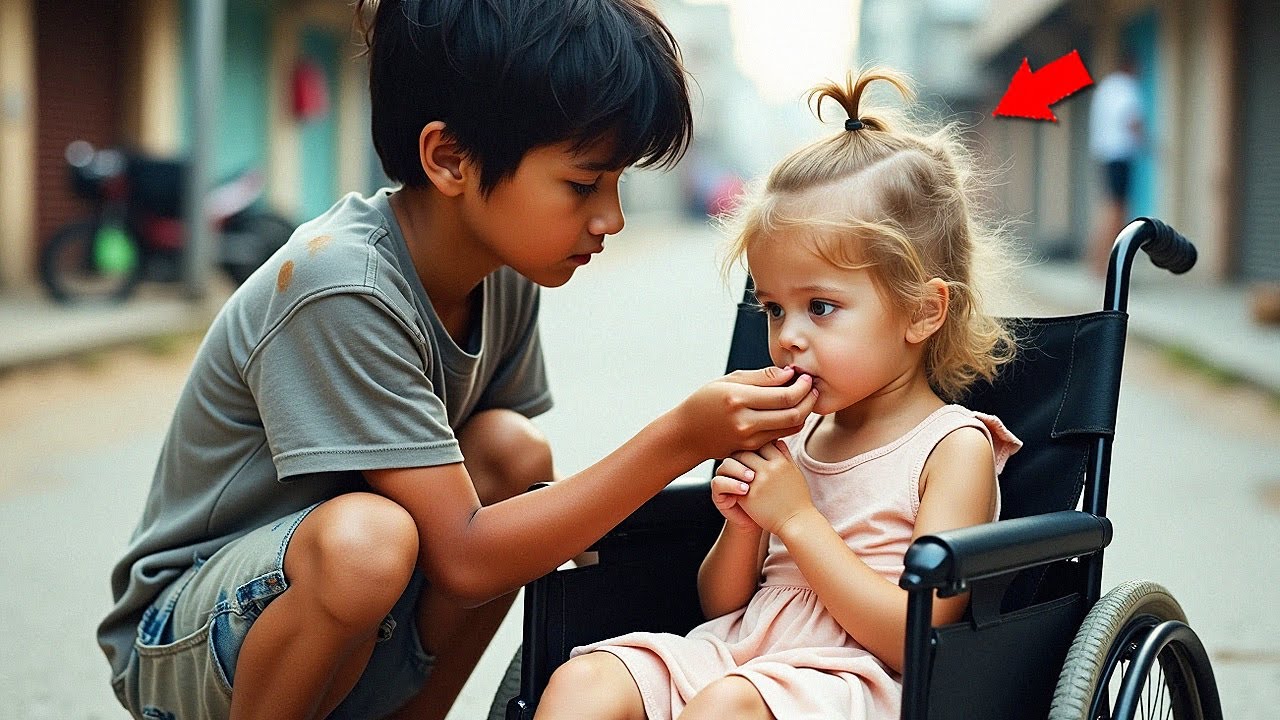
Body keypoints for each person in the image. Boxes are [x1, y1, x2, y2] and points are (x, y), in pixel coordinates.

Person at [96, 1, 820, 719]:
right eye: (582, 184)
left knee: (511, 455)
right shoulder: (342, 283)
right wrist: (683, 438)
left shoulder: (499, 272)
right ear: (449, 159)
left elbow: (499, 513)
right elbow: (466, 558)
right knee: (368, 542)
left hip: (356, 619)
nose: (612, 218)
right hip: (187, 640)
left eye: (618, 182)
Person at [533, 67, 1024, 720]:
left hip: (860, 679)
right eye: (773, 309)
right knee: (584, 683)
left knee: (727, 704)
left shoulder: (950, 448)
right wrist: (742, 526)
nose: (787, 336)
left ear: (922, 311)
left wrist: (796, 520)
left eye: (820, 307)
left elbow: (920, 633)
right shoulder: (795, 431)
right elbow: (722, 607)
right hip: (743, 652)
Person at [1087, 52, 1144, 276]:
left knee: (1108, 209)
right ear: (1131, 67)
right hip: (1119, 155)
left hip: (1104, 155)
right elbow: (1132, 121)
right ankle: (1109, 267)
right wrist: (1149, 145)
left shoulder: (1106, 87)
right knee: (1117, 212)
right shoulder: (1125, 87)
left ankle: (1097, 263)